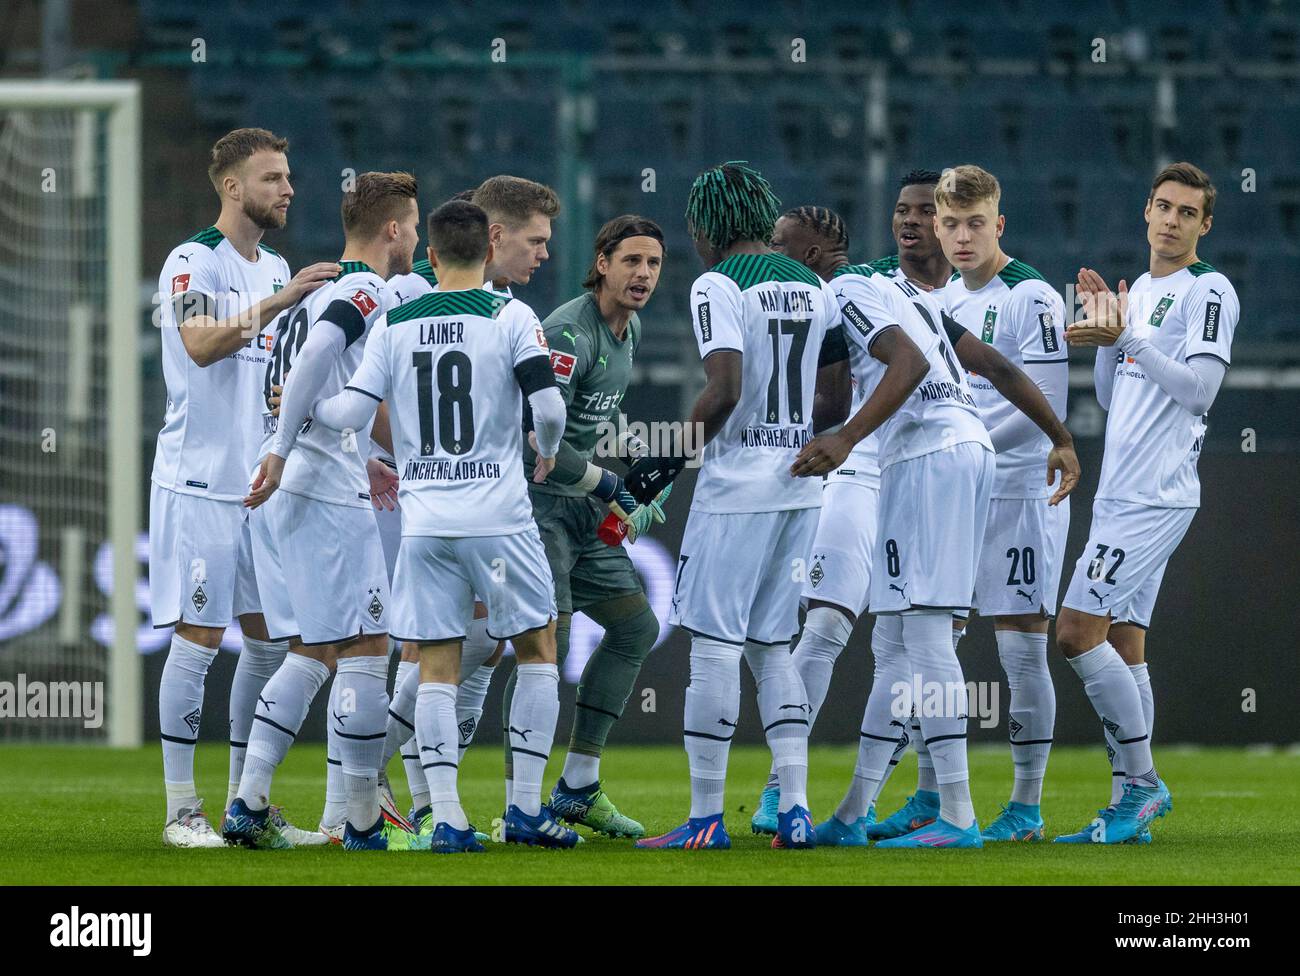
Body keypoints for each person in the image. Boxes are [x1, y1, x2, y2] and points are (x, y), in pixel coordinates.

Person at [310, 200, 579, 851]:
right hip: (499, 518)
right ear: (489, 250)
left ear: (430, 256)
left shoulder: (396, 323)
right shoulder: (512, 316)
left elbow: (349, 414)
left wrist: (303, 405)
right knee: (538, 650)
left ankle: (448, 819)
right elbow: (547, 405)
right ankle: (521, 809)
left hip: (425, 522)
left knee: (435, 667)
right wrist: (545, 449)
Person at [628, 163, 846, 851]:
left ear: (706, 226)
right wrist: (794, 436)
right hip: (800, 487)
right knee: (773, 646)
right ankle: (797, 809)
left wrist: (653, 475)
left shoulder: (717, 284)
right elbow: (835, 403)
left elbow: (723, 389)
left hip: (736, 493)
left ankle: (704, 820)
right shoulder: (814, 285)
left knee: (716, 650)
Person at [151, 127, 338, 847]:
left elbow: (276, 381)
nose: (287, 189)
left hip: (262, 486)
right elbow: (199, 346)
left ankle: (243, 809)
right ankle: (179, 812)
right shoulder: (193, 260)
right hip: (200, 482)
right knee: (199, 641)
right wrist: (285, 297)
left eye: (288, 177)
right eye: (271, 178)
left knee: (269, 643)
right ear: (232, 187)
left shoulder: (275, 267)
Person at [227, 172, 420, 851]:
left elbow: (307, 381)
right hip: (315, 490)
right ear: (392, 229)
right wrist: (285, 450)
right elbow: (315, 361)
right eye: (414, 225)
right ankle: (362, 821)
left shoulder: (313, 295)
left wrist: (328, 448)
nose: (418, 237)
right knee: (368, 647)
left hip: (292, 487)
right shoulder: (364, 288)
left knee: (311, 648)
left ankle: (249, 805)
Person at [1054, 162, 1237, 844]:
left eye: (1186, 212)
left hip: (1155, 496)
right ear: (1146, 210)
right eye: (1163, 206)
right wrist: (1110, 333)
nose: (1170, 219)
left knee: (1075, 634)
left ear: (1204, 224)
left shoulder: (1208, 290)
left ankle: (1141, 784)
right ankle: (1129, 802)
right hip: (1120, 493)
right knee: (1125, 643)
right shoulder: (1145, 292)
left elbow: (1199, 393)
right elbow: (1111, 394)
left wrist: (1127, 336)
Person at [513, 216, 670, 838]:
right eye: (631, 261)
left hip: (582, 510)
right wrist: (612, 485)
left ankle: (577, 785)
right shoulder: (565, 333)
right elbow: (534, 443)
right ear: (602, 263)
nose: (644, 275)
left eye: (654, 264)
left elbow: (594, 419)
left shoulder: (628, 332)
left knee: (635, 627)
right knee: (538, 654)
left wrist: (631, 464)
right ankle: (520, 807)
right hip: (539, 509)